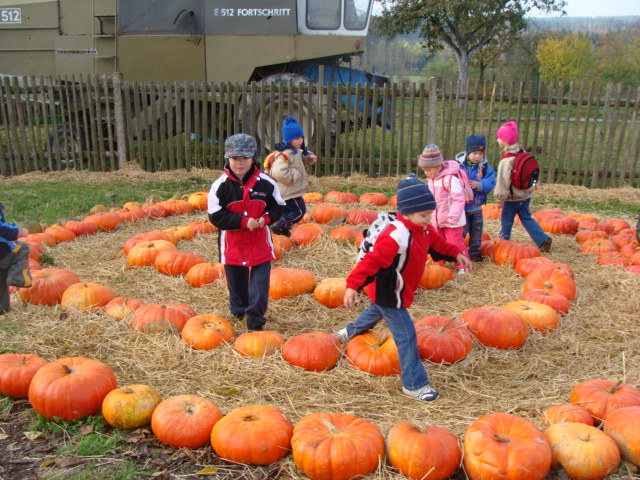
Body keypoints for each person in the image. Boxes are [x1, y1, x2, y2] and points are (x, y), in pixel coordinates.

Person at [337, 174, 472, 402]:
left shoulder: (424, 229)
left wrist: (457, 253)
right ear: (407, 213)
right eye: (423, 215)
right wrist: (352, 286)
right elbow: (372, 261)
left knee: (375, 311)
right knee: (407, 335)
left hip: (397, 290)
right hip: (390, 291)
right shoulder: (396, 235)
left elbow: (438, 243)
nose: (429, 219)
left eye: (430, 214)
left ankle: (348, 333)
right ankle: (414, 384)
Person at [207, 134, 286, 331]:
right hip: (232, 244)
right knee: (237, 284)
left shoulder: (267, 183)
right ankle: (238, 310)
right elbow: (216, 216)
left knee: (260, 285)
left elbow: (278, 207)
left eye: (245, 158)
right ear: (228, 159)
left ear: (253, 159)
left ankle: (255, 320)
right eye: (235, 159)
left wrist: (266, 218)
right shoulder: (220, 187)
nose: (239, 163)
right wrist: (243, 221)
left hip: (259, 243)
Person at [493, 121, 552, 252]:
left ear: (505, 142)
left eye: (499, 138)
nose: (497, 140)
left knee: (507, 221)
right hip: (525, 195)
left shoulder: (506, 160)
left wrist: (499, 199)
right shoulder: (523, 153)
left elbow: (502, 182)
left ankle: (503, 243)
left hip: (512, 198)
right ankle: (542, 239)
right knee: (526, 217)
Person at [418, 144, 470, 273]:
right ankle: (439, 264)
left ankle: (463, 266)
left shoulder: (450, 179)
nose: (426, 173)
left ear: (437, 166)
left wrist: (453, 217)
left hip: (452, 220)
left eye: (428, 170)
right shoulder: (431, 180)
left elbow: (459, 199)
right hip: (437, 220)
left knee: (455, 243)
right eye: (424, 170)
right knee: (437, 244)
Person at [267, 116, 317, 237]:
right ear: (289, 140)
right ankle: (280, 224)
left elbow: (300, 159)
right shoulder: (286, 154)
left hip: (291, 191)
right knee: (299, 211)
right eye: (296, 138)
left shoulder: (295, 152)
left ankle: (281, 228)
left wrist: (308, 158)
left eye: (301, 137)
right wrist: (293, 175)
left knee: (287, 210)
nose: (300, 141)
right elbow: (278, 172)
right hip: (290, 191)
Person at [455, 134, 496, 262]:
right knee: (462, 231)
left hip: (476, 207)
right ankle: (458, 252)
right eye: (475, 153)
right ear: (468, 153)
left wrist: (480, 185)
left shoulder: (485, 168)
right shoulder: (458, 166)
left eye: (480, 153)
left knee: (477, 232)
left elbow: (491, 182)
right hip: (463, 207)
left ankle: (474, 253)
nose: (478, 156)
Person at [1, 202, 32, 315]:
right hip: (2, 254)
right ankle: (17, 278)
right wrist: (18, 231)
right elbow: (2, 228)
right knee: (22, 247)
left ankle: (2, 308)